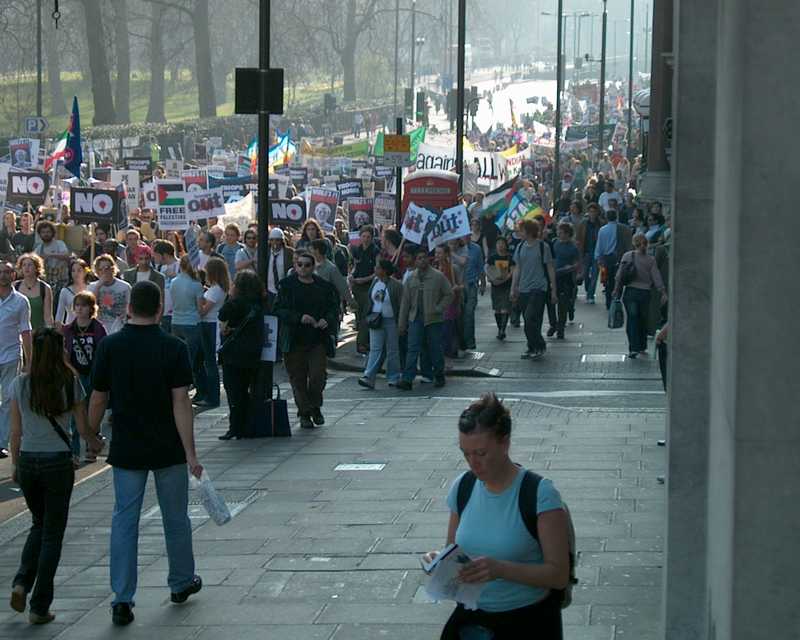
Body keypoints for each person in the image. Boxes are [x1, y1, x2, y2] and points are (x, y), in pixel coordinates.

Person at [88, 280, 204, 626]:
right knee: (175, 517)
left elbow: (98, 397)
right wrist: (191, 453)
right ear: (159, 309)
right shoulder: (174, 347)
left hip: (127, 444)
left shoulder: (110, 346)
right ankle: (181, 581)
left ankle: (122, 598)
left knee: (124, 520)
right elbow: (181, 401)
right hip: (167, 444)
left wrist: (90, 435)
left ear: (128, 309)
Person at [424, 393, 569, 639]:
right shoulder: (463, 486)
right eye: (465, 453)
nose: (473, 463)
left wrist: (501, 569)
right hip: (473, 619)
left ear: (505, 443)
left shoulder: (540, 493)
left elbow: (558, 575)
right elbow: (453, 550)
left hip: (527, 622)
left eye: (481, 453)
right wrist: (439, 562)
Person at [8, 328, 103, 625]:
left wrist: (15, 464)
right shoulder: (69, 381)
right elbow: (83, 425)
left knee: (39, 523)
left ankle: (22, 581)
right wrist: (95, 443)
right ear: (61, 350)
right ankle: (39, 605)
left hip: (28, 462)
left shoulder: (20, 384)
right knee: (52, 534)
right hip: (57, 464)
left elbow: (15, 431)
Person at [273, 251, 339, 429]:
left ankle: (314, 406)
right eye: (299, 264)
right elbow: (279, 309)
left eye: (307, 265)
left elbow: (334, 308)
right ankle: (305, 413)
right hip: (294, 339)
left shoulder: (323, 287)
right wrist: (299, 317)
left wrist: (328, 319)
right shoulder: (286, 285)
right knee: (298, 379)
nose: (303, 268)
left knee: (318, 377)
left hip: (317, 339)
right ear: (295, 266)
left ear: (313, 266)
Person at [217, 271, 266, 439]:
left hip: (234, 353)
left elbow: (222, 316)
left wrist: (230, 296)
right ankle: (248, 425)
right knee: (247, 390)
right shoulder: (259, 303)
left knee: (234, 392)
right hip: (253, 351)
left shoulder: (234, 303)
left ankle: (236, 426)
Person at [397, 247, 454, 390]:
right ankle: (407, 379)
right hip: (415, 318)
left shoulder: (438, 276)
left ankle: (439, 375)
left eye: (424, 257)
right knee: (413, 348)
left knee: (435, 348)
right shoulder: (411, 278)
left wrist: (439, 308)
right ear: (415, 261)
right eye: (419, 258)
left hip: (433, 319)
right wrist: (402, 324)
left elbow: (449, 294)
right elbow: (405, 303)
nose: (422, 260)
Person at [62, 291, 106, 459]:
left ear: (91, 308)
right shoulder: (69, 329)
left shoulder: (97, 327)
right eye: (77, 305)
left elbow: (102, 351)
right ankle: (74, 453)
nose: (80, 309)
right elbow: (65, 352)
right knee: (75, 414)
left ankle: (91, 448)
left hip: (93, 374)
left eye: (84, 305)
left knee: (93, 410)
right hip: (76, 374)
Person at [612, 233, 667, 358]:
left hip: (630, 292)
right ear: (646, 244)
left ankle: (633, 348)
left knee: (632, 319)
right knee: (643, 319)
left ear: (634, 244)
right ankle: (642, 346)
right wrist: (662, 291)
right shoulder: (650, 260)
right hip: (644, 293)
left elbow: (620, 275)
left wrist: (616, 289)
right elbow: (656, 277)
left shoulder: (627, 256)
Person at [510, 220, 557, 360]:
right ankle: (532, 347)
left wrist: (553, 289)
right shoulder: (520, 247)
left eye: (522, 230)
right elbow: (517, 269)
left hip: (539, 288)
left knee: (530, 318)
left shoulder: (543, 247)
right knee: (529, 320)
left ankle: (539, 345)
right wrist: (513, 288)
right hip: (523, 289)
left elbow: (550, 268)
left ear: (529, 231)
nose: (519, 233)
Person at [0, 262, 32, 458]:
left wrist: (30, 360)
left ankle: (1, 442)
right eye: (0, 272)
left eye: (7, 272)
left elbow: (26, 332)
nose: (3, 275)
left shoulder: (21, 301)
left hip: (11, 355)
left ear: (13, 275)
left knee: (8, 399)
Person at [358, 259, 403, 390]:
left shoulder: (396, 285)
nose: (375, 270)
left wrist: (401, 323)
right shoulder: (375, 282)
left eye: (377, 268)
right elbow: (370, 301)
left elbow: (401, 304)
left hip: (391, 321)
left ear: (384, 270)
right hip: (376, 320)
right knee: (375, 349)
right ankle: (369, 377)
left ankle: (393, 377)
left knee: (392, 350)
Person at [170, 256, 207, 405]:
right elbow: (200, 309)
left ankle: (179, 390)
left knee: (179, 358)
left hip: (176, 321)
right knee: (194, 360)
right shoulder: (196, 284)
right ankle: (198, 390)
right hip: (192, 323)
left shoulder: (173, 282)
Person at [197, 257, 228, 409]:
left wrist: (197, 298)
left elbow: (203, 311)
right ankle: (208, 394)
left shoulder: (216, 290)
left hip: (210, 324)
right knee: (207, 361)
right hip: (208, 324)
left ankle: (212, 397)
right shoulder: (215, 288)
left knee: (210, 362)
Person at [348, 226, 380, 355]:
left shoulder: (375, 251)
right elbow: (354, 266)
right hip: (357, 286)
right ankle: (364, 342)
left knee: (366, 315)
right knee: (360, 314)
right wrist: (351, 276)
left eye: (368, 237)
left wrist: (365, 279)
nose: (366, 239)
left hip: (369, 286)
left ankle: (361, 343)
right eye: (363, 236)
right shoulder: (357, 250)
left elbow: (377, 271)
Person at [594, 210, 632, 310]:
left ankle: (609, 302)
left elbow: (600, 245)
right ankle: (616, 299)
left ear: (606, 217)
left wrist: (598, 257)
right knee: (618, 280)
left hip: (607, 258)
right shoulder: (624, 228)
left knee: (607, 281)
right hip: (620, 257)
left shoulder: (603, 230)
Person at [88, 255, 132, 335]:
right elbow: (89, 306)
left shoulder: (125, 286)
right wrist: (98, 286)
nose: (105, 272)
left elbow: (131, 307)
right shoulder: (91, 287)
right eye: (101, 269)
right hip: (99, 328)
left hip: (120, 328)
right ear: (97, 272)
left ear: (113, 269)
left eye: (107, 268)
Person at [552, 222, 581, 339]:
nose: (559, 233)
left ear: (568, 234)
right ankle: (553, 324)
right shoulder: (554, 243)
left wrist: (572, 268)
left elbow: (577, 262)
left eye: (561, 232)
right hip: (554, 276)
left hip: (566, 278)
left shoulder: (573, 247)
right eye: (558, 231)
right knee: (551, 303)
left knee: (562, 304)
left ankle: (561, 327)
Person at [434, 244, 463, 359]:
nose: (437, 255)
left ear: (446, 254)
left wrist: (456, 287)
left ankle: (449, 353)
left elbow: (461, 285)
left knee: (448, 329)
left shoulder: (453, 268)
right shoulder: (433, 268)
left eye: (440, 253)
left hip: (450, 304)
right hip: (436, 303)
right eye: (436, 253)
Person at [14, 254, 53, 331]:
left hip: (38, 334)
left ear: (36, 268)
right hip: (17, 334)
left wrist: (49, 332)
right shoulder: (15, 286)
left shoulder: (45, 288)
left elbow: (48, 317)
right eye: (24, 265)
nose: (26, 268)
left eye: (30, 265)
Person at [486, 237, 514, 340]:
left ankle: (502, 329)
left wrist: (505, 279)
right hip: (495, 286)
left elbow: (512, 271)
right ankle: (499, 329)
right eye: (498, 243)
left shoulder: (510, 257)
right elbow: (488, 269)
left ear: (506, 245)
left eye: (502, 243)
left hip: (506, 286)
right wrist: (491, 279)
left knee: (504, 308)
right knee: (497, 309)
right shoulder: (492, 258)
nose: (500, 245)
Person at [311, 238, 352, 308]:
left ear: (316, 251)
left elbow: (342, 286)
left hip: (327, 305)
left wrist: (351, 301)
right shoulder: (309, 266)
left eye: (311, 249)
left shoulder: (331, 268)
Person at [33, 221, 70, 292]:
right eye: (43, 232)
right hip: (47, 282)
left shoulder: (60, 244)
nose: (45, 234)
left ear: (52, 233)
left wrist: (50, 255)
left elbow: (66, 256)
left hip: (61, 281)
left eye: (48, 232)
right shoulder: (39, 248)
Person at [54, 259, 90, 330]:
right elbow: (59, 315)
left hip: (89, 328)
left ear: (85, 272)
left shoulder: (91, 288)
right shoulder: (65, 291)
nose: (76, 273)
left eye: (79, 270)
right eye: (73, 271)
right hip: (71, 328)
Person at [152, 240, 180, 333]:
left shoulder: (181, 266)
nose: (154, 257)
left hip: (177, 315)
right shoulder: (160, 267)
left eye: (156, 255)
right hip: (163, 313)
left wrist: (176, 277)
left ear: (163, 255)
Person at [266, 228, 294, 310]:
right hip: (269, 289)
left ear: (282, 241)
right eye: (272, 240)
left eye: (277, 240)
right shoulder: (265, 252)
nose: (275, 243)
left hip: (284, 289)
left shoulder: (289, 253)